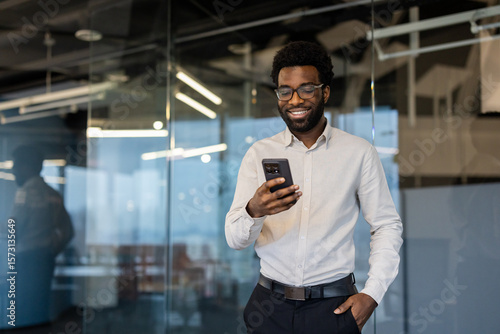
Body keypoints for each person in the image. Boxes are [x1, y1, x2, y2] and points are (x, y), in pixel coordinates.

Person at [225, 41, 403, 333]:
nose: (295, 100)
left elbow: (386, 225)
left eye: (307, 89)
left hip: (332, 309)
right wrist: (254, 210)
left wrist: (373, 294)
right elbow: (235, 240)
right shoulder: (258, 154)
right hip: (268, 307)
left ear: (325, 92)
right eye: (285, 91)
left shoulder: (358, 152)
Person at [8, 145, 74, 327]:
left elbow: (14, 229)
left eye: (16, 165)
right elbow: (68, 231)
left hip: (25, 259)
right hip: (44, 259)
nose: (13, 171)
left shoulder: (24, 193)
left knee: (20, 313)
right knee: (39, 310)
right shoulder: (53, 194)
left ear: (26, 166)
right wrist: (50, 250)